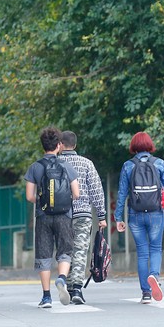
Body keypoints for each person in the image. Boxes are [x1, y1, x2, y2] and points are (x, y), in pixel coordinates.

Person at [114, 131, 164, 304]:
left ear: (133, 146)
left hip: (135, 214)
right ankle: (154, 275)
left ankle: (146, 293)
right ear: (149, 145)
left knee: (142, 253)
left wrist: (118, 217)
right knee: (156, 248)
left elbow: (122, 193)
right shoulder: (159, 163)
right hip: (156, 213)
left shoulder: (128, 166)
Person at [24, 126, 80, 308]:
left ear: (43, 145)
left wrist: (43, 201)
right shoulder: (66, 166)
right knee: (65, 251)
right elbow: (76, 193)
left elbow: (29, 196)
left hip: (43, 216)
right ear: (58, 145)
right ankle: (62, 278)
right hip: (64, 215)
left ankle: (46, 297)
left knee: (44, 254)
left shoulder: (35, 167)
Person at [58, 130, 107, 305]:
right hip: (83, 214)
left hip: (60, 215)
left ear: (60, 145)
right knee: (80, 250)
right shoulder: (86, 163)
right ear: (75, 145)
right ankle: (76, 289)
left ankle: (68, 283)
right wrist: (101, 215)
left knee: (65, 251)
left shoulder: (55, 164)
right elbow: (96, 190)